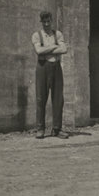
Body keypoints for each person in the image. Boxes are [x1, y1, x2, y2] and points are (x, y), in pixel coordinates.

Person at [32, 10, 68, 139]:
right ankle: (40, 129)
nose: (47, 24)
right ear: (41, 22)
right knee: (41, 98)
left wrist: (47, 49)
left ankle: (56, 129)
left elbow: (64, 49)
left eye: (48, 21)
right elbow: (38, 51)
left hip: (56, 67)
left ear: (52, 21)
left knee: (58, 99)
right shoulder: (37, 35)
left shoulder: (58, 34)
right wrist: (54, 47)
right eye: (44, 22)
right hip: (42, 68)